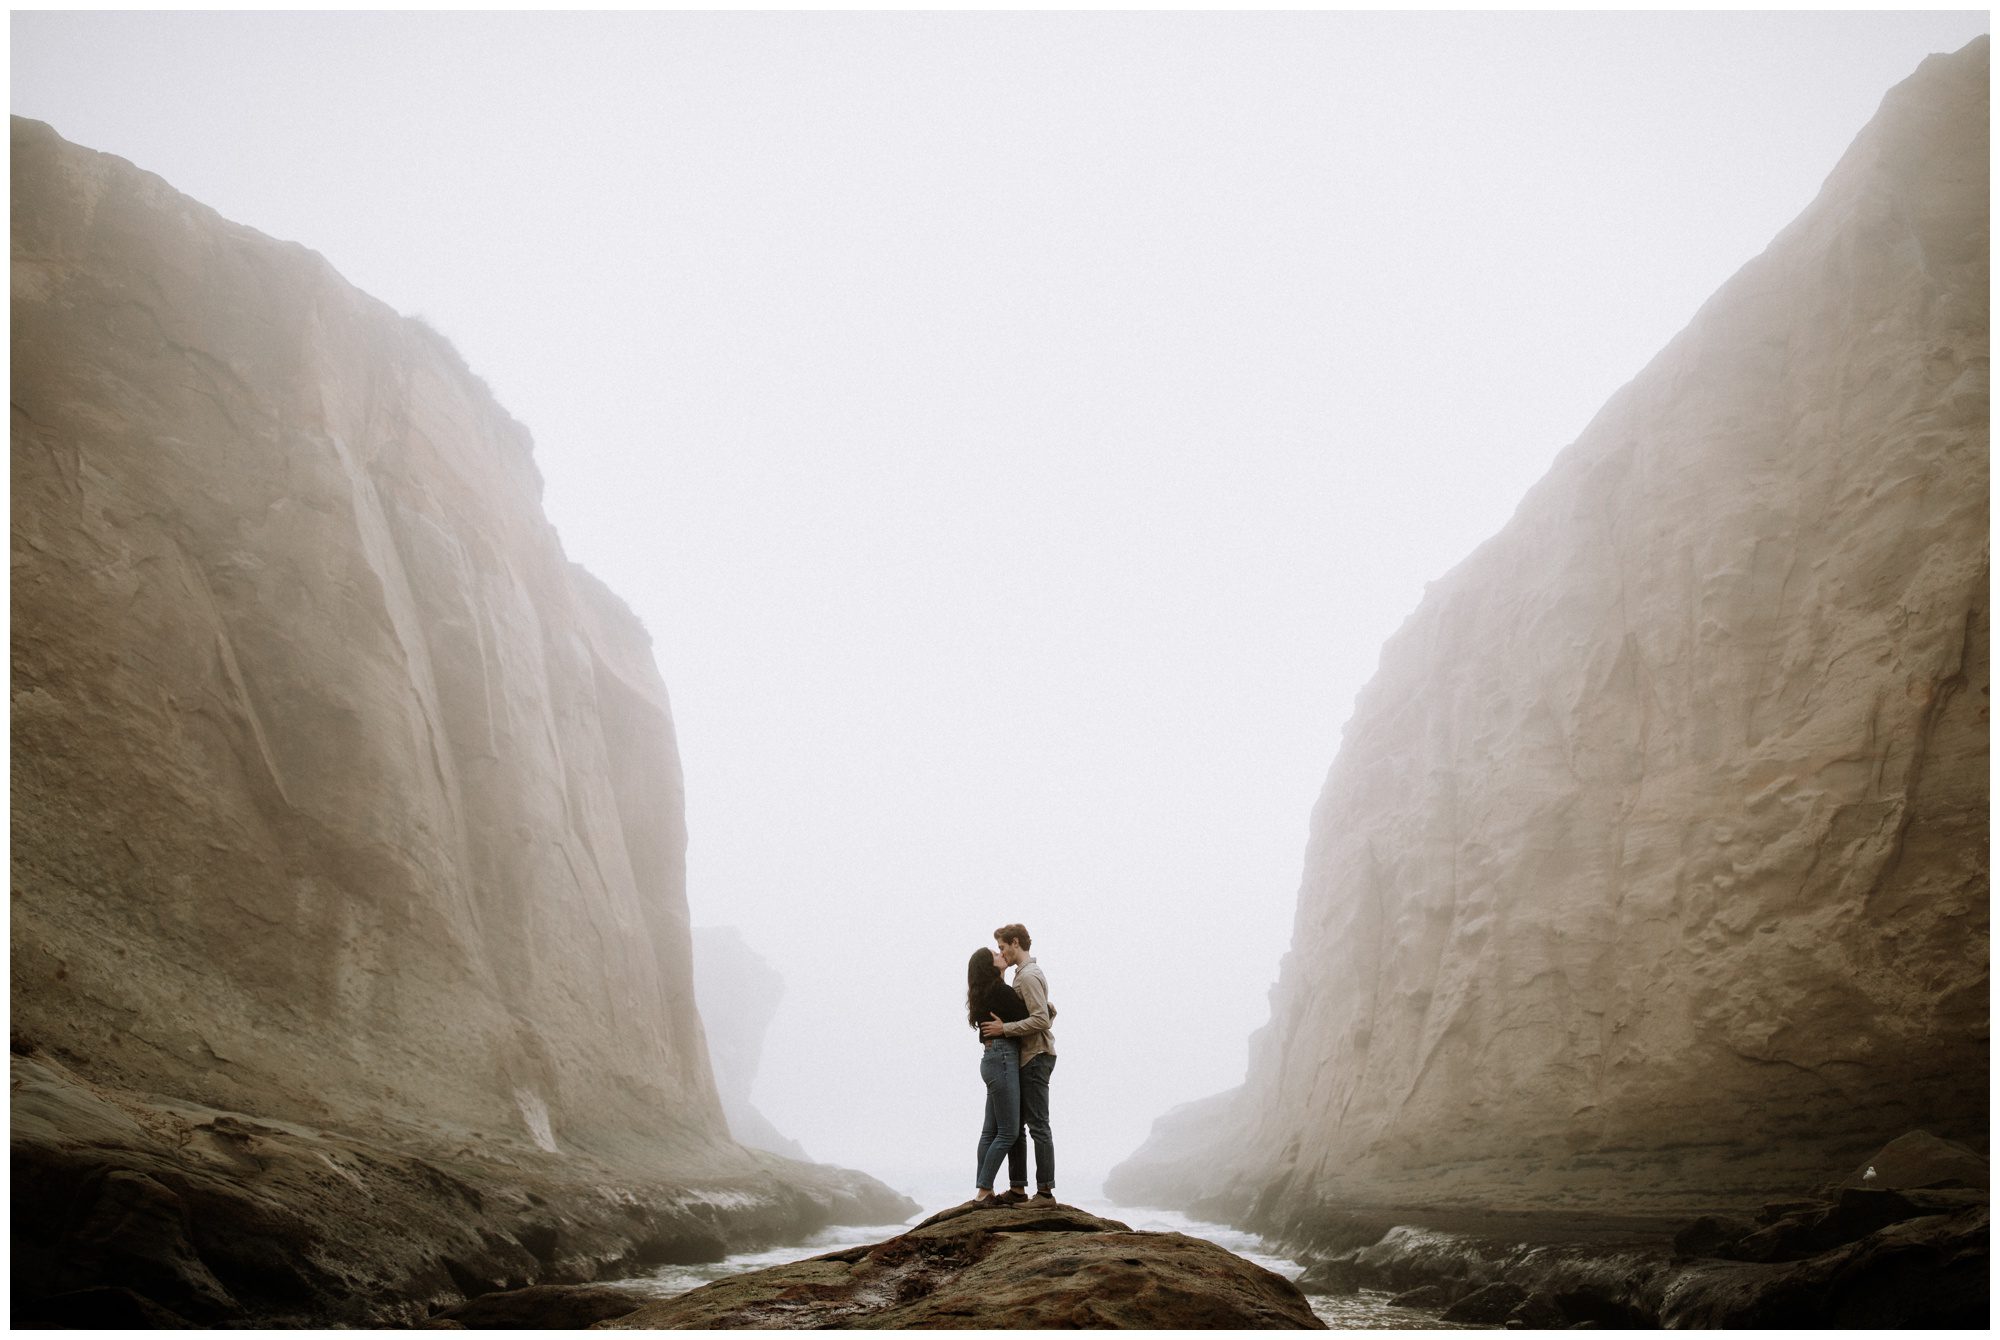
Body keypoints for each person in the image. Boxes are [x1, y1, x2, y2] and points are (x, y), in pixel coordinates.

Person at [980, 922, 1055, 1201]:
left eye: (1002, 947)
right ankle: (1017, 1189)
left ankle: (1045, 1193)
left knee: (1038, 1125)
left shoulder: (1028, 976)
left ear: (1014, 942)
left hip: (1036, 1055)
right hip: (1027, 1056)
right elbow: (1044, 1011)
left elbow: (1040, 1019)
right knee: (1019, 1127)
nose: (1002, 953)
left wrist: (1004, 1030)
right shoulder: (1022, 976)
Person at [966, 946, 1031, 1203]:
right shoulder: (999, 991)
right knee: (1008, 1132)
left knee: (990, 1131)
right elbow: (1029, 1018)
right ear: (989, 966)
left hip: (991, 1059)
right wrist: (1048, 1009)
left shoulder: (986, 993)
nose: (1000, 955)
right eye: (995, 954)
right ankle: (984, 1191)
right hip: (1003, 1058)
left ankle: (985, 1190)